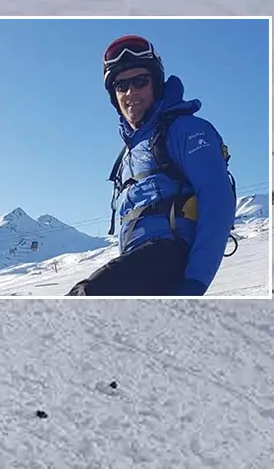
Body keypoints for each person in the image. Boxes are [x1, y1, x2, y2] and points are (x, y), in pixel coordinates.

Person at [66, 35, 236, 297]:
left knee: (87, 296)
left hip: (171, 253)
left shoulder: (185, 130)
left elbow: (218, 200)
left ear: (156, 85)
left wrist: (195, 282)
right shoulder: (128, 156)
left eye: (140, 82)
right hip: (142, 263)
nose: (130, 93)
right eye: (121, 86)